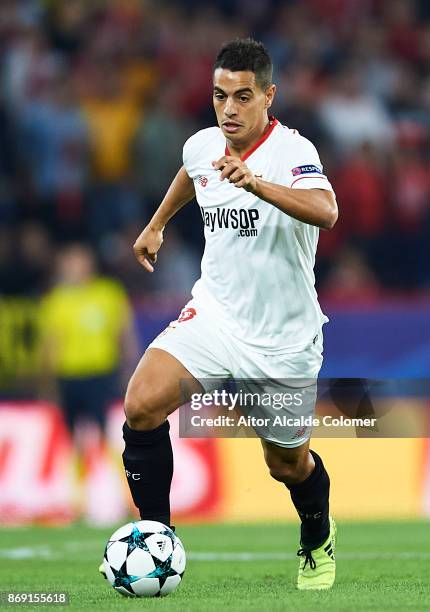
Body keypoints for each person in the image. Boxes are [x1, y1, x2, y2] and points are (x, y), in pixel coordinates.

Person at [106, 38, 338, 590]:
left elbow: (327, 211)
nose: (228, 109)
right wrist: (158, 223)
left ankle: (317, 533)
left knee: (286, 464)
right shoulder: (204, 144)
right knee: (141, 404)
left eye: (241, 96)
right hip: (214, 315)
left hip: (283, 340)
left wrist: (257, 183)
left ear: (267, 97)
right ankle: (156, 536)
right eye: (219, 96)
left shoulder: (294, 152)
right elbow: (192, 173)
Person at [39, 243, 137, 522]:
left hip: (101, 375)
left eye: (78, 261)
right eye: (69, 262)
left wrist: (130, 370)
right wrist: (48, 383)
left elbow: (124, 334)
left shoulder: (108, 293)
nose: (73, 267)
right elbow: (51, 344)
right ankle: (77, 503)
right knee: (74, 444)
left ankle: (129, 499)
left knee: (110, 439)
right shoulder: (56, 300)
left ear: (89, 263)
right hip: (69, 377)